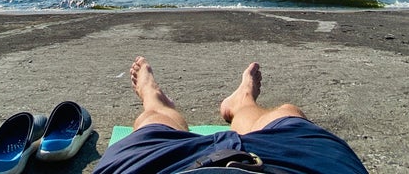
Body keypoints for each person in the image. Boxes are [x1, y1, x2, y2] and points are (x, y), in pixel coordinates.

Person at [94, 56, 368, 174]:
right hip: (299, 166)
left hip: (157, 168)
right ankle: (242, 102)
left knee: (152, 124)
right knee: (288, 115)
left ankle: (155, 101)